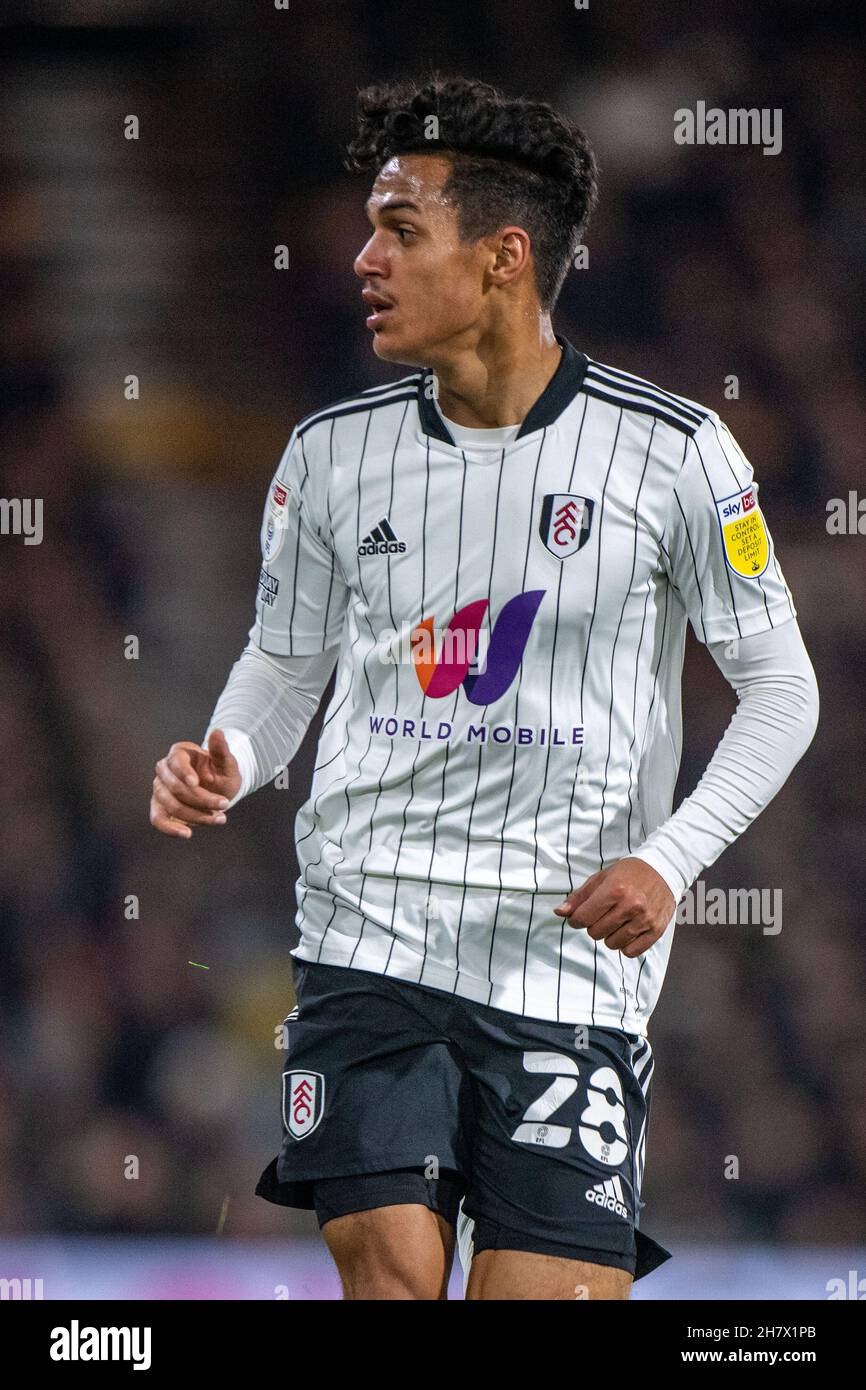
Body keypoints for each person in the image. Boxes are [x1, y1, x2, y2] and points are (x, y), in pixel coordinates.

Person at [150, 76, 819, 1300]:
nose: (362, 258)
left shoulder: (675, 455)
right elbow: (284, 660)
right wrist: (230, 755)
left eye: (400, 229)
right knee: (392, 1278)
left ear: (504, 257)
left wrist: (669, 862)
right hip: (369, 938)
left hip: (567, 971)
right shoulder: (330, 454)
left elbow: (780, 687)